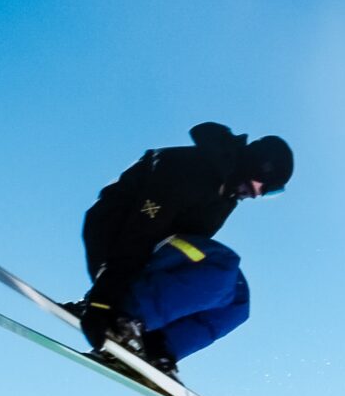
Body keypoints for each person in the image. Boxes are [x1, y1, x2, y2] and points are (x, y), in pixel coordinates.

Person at [75, 122, 293, 377]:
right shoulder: (186, 168)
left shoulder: (225, 199)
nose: (258, 194)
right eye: (263, 185)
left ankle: (158, 348)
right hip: (116, 240)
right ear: (255, 164)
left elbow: (186, 269)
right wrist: (103, 299)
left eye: (270, 193)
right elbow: (137, 233)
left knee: (237, 299)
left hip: (145, 257)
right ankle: (125, 319)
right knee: (223, 264)